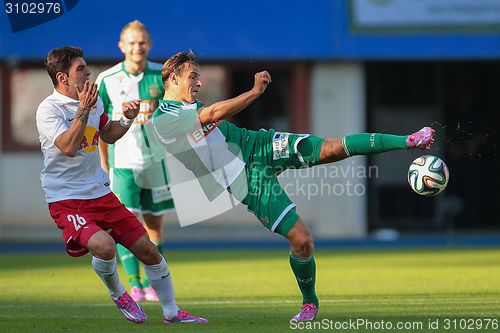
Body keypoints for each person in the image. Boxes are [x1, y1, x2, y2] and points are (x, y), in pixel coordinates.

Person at [152, 51, 435, 322]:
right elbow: (211, 115)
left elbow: (211, 116)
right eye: (193, 76)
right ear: (173, 79)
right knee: (302, 240)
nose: (198, 82)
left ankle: (408, 140)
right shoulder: (164, 119)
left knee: (330, 148)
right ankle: (309, 301)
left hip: (258, 144)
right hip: (247, 183)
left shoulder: (189, 105)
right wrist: (253, 93)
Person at [36, 46, 207, 324]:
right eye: (80, 68)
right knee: (104, 246)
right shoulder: (48, 110)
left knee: (149, 250)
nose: (88, 72)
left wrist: (127, 118)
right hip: (66, 198)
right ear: (62, 77)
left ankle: (172, 312)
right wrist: (83, 109)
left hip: (101, 193)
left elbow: (108, 134)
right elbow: (67, 146)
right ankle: (119, 294)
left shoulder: (92, 102)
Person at [96, 20, 173, 303]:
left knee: (154, 225)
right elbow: (102, 126)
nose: (137, 47)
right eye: (131, 42)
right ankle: (136, 284)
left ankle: (156, 284)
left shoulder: (162, 75)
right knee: (125, 224)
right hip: (124, 164)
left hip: (157, 165)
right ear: (122, 46)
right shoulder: (107, 79)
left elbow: (173, 115)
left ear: (149, 44)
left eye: (141, 42)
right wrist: (105, 162)